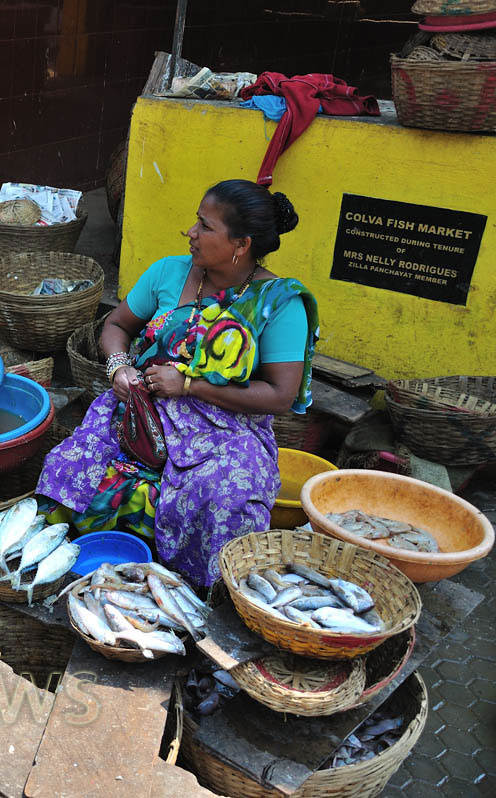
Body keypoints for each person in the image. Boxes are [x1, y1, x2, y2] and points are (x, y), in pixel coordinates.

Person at [37, 179, 319, 587]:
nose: (191, 232)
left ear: (241, 244)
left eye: (205, 226)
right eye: (196, 221)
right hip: (141, 414)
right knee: (70, 467)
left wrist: (188, 386)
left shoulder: (278, 303)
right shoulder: (168, 272)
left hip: (226, 429)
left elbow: (280, 395)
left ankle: (202, 591)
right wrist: (119, 368)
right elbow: (116, 325)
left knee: (227, 499)